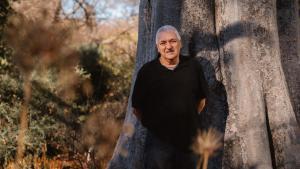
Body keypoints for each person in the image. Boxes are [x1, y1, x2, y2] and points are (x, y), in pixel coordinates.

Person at [131, 25, 208, 169]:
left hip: (191, 142)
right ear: (157, 47)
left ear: (180, 43)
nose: (168, 46)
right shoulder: (147, 72)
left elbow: (202, 100)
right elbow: (136, 108)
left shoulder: (193, 67)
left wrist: (187, 119)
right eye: (163, 43)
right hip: (158, 144)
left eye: (172, 41)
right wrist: (155, 125)